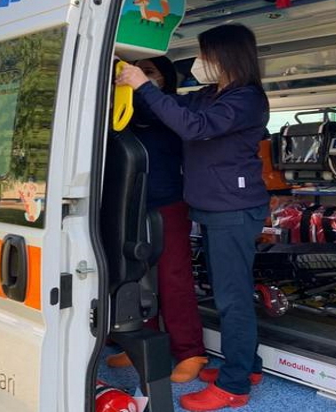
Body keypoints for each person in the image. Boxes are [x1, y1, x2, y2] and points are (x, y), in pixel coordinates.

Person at [116, 23, 269, 412]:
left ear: (225, 56)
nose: (199, 63)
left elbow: (194, 128)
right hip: (216, 208)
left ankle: (235, 386)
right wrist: (130, 85)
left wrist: (143, 83)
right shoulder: (212, 95)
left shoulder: (246, 99)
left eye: (205, 55)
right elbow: (175, 110)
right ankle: (247, 366)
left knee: (233, 299)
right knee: (227, 292)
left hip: (233, 210)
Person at [106, 56, 208, 383]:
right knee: (134, 277)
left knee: (173, 279)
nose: (138, 76)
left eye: (149, 71)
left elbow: (151, 111)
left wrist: (139, 85)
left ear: (164, 79)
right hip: (129, 204)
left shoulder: (169, 107)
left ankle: (190, 351)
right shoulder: (123, 109)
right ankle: (143, 342)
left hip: (168, 205)